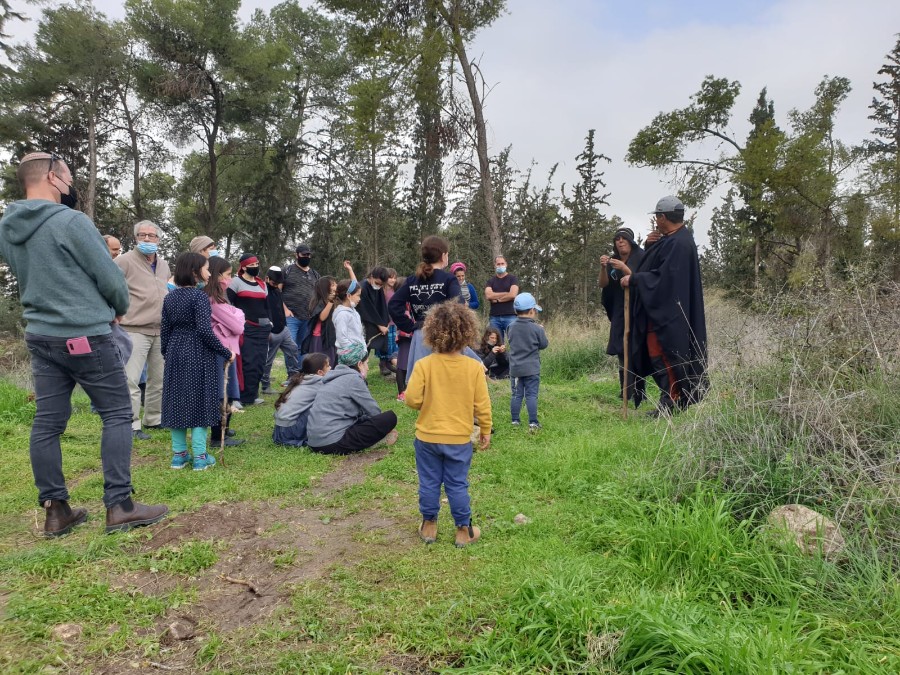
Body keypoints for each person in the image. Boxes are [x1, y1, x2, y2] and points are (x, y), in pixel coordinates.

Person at [0, 151, 167, 535]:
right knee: (117, 412)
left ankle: (56, 511)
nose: (71, 185)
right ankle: (120, 504)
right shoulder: (70, 221)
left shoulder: (8, 226)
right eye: (69, 178)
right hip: (84, 333)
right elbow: (108, 276)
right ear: (52, 177)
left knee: (47, 422)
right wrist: (119, 307)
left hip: (41, 334)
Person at [405, 302, 491, 548]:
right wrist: (485, 430)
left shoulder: (424, 365)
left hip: (427, 438)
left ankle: (429, 525)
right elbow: (482, 405)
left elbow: (411, 399)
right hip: (458, 440)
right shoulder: (474, 367)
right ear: (467, 333)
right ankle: (463, 530)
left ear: (432, 333)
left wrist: (426, 404)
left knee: (429, 481)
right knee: (457, 483)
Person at [621, 196, 708, 417]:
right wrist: (652, 246)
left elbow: (664, 278)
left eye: (657, 217)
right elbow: (660, 266)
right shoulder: (673, 239)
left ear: (662, 217)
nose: (656, 221)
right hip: (665, 312)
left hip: (669, 316)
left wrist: (634, 279)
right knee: (658, 354)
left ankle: (672, 401)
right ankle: (669, 399)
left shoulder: (679, 243)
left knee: (665, 356)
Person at [161, 253, 235, 470]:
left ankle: (179, 455)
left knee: (177, 403)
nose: (210, 273)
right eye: (206, 268)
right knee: (201, 402)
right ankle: (201, 457)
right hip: (198, 354)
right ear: (195, 272)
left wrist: (169, 353)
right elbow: (204, 330)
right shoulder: (199, 297)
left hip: (175, 352)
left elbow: (165, 331)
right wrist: (225, 351)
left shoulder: (170, 297)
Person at [115, 219, 170, 441]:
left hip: (161, 329)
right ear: (135, 238)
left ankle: (154, 419)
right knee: (131, 379)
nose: (147, 239)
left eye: (151, 235)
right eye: (142, 235)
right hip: (133, 329)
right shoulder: (123, 261)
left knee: (159, 379)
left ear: (158, 239)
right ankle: (132, 424)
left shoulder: (164, 265)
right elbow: (110, 289)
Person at [388, 236, 464, 381]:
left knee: (423, 379)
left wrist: (411, 326)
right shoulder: (449, 279)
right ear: (443, 256)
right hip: (445, 335)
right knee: (446, 379)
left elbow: (393, 305)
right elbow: (458, 306)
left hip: (421, 335)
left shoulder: (412, 280)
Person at [306, 345, 399, 455]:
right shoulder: (353, 378)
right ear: (359, 364)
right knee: (389, 418)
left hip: (314, 443)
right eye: (367, 363)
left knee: (364, 419)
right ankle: (376, 442)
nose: (368, 368)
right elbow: (375, 412)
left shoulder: (331, 378)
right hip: (332, 443)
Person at [599, 227, 646, 407]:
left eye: (623, 239)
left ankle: (640, 392)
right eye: (617, 239)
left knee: (637, 349)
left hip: (638, 308)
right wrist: (604, 268)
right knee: (621, 347)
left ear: (630, 241)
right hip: (620, 308)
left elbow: (644, 280)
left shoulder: (641, 258)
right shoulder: (613, 261)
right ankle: (625, 391)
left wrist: (625, 269)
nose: (620, 241)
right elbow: (603, 284)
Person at [204, 256, 245, 447]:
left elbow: (237, 317)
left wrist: (236, 315)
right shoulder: (212, 300)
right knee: (222, 392)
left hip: (228, 351)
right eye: (228, 275)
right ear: (218, 275)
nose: (230, 279)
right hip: (220, 351)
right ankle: (217, 435)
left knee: (227, 389)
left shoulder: (220, 298)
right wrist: (236, 316)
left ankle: (225, 429)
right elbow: (237, 325)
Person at [227, 253, 272, 407]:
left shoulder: (262, 284)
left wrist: (270, 323)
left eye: (256, 264)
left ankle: (252, 395)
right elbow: (227, 304)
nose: (255, 268)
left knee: (260, 362)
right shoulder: (235, 282)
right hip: (246, 328)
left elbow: (267, 306)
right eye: (251, 265)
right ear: (243, 266)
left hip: (263, 328)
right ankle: (240, 396)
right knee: (247, 361)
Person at [507, 292, 549, 431]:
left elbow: (512, 341)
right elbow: (543, 345)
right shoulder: (537, 328)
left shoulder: (510, 327)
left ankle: (515, 421)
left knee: (516, 395)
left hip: (516, 369)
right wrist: (542, 332)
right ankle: (533, 423)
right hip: (532, 368)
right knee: (531, 395)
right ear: (532, 311)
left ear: (515, 310)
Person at [273, 352, 329, 447]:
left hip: (279, 429)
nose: (331, 368)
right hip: (290, 430)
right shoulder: (319, 382)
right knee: (321, 405)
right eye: (328, 366)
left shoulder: (302, 379)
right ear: (320, 372)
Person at [261, 266, 300, 395]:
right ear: (267, 278)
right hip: (271, 331)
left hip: (283, 328)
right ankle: (265, 386)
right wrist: (267, 329)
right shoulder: (262, 291)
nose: (276, 285)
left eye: (278, 283)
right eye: (273, 282)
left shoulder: (277, 289)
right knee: (268, 359)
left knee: (293, 349)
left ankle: (293, 378)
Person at [281, 243, 320, 353]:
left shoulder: (315, 274)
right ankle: (293, 370)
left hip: (308, 318)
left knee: (304, 347)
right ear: (296, 255)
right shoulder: (287, 271)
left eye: (308, 255)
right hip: (291, 317)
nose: (306, 257)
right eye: (304, 255)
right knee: (290, 346)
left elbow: (320, 294)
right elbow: (276, 291)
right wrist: (285, 310)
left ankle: (302, 370)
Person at [357, 266, 394, 376]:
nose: (378, 286)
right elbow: (367, 309)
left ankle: (384, 363)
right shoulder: (363, 287)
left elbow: (381, 305)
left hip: (375, 321)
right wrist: (379, 325)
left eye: (381, 285)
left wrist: (385, 321)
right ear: (372, 276)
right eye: (377, 283)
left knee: (383, 342)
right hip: (364, 322)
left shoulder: (378, 289)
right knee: (364, 349)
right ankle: (360, 373)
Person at [305, 275, 338, 367]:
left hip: (330, 337)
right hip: (320, 338)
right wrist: (330, 302)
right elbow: (322, 317)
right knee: (321, 365)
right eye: (333, 285)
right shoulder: (319, 301)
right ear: (325, 288)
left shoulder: (334, 300)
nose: (336, 286)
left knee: (330, 364)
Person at [484, 254, 519, 341]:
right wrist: (506, 294)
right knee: (496, 344)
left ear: (506, 264)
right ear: (495, 265)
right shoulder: (491, 281)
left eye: (502, 263)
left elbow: (513, 294)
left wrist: (497, 299)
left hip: (510, 316)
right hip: (494, 317)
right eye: (498, 264)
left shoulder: (513, 279)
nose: (500, 266)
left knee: (515, 342)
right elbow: (488, 295)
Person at [332, 278, 366, 359]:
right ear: (349, 296)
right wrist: (354, 354)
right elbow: (342, 338)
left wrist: (364, 351)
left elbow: (360, 335)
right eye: (358, 295)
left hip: (359, 354)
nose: (359, 298)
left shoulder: (354, 312)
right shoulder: (342, 314)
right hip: (349, 357)